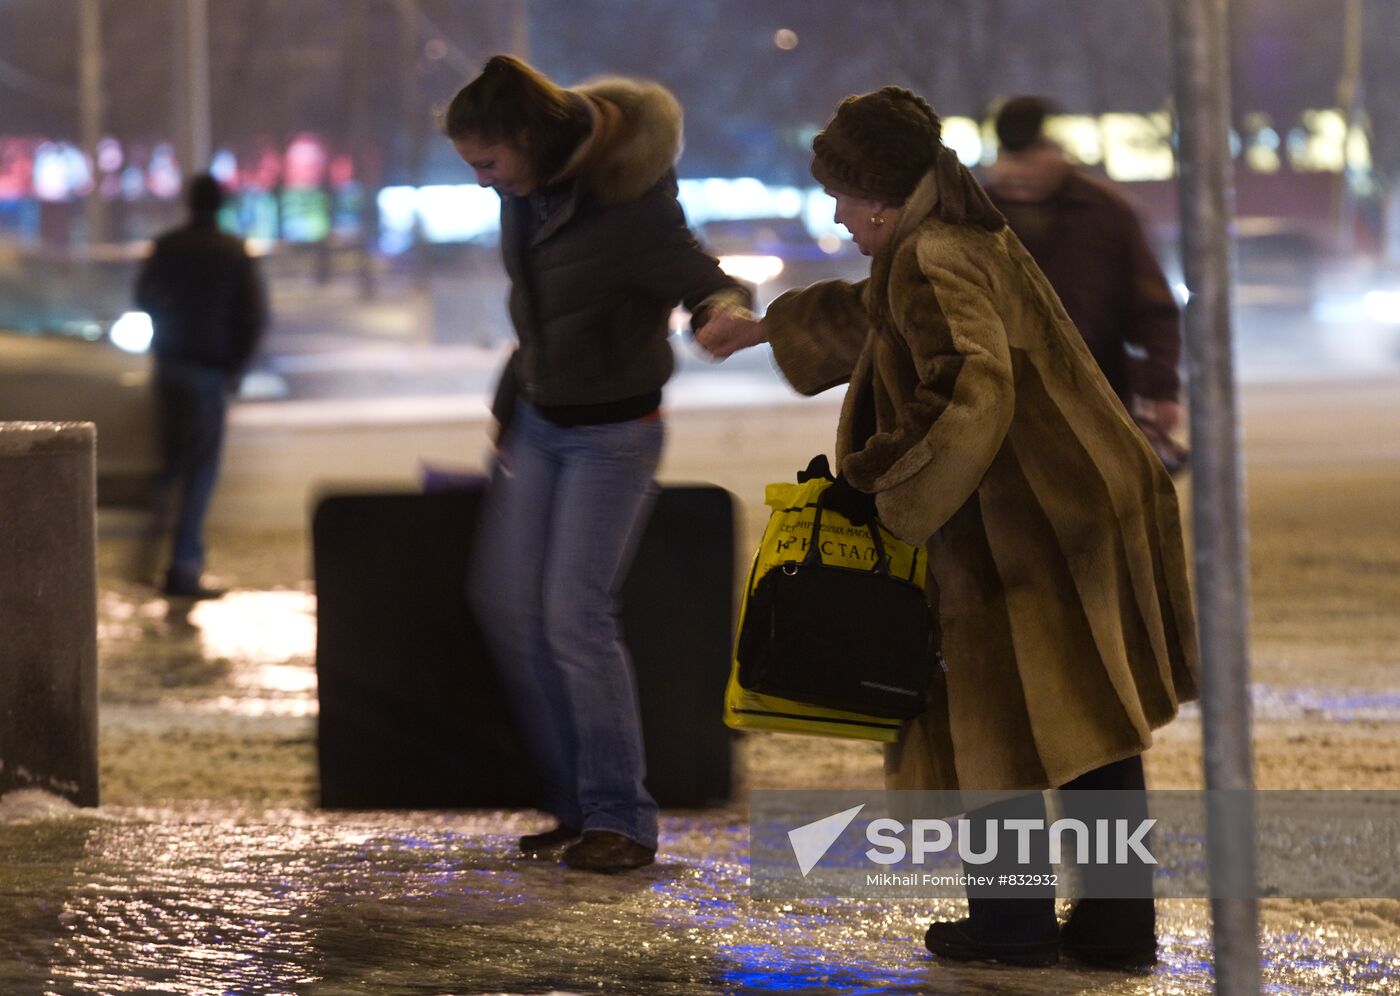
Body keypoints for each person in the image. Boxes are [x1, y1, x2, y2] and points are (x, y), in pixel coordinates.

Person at [698, 87, 1199, 968]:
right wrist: (764, 329)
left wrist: (876, 483)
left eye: (842, 196)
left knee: (991, 723)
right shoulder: (949, 235)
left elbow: (969, 384)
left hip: (1023, 524)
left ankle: (1010, 928)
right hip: (1068, 506)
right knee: (1088, 723)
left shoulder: (933, 252)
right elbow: (877, 314)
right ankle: (1118, 928)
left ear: (882, 197)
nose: (836, 213)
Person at [445, 55, 752, 874]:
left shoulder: (629, 196)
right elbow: (542, 315)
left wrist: (722, 313)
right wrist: (512, 407)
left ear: (522, 138)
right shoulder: (529, 190)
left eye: (486, 162)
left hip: (615, 433)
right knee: (507, 605)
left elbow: (701, 276)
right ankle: (576, 806)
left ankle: (622, 817)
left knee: (573, 616)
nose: (481, 181)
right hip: (542, 422)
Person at [985, 95, 1187, 470]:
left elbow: (1152, 309)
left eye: (1033, 155)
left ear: (1057, 150)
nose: (1022, 171)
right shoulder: (977, 215)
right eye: (1014, 158)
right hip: (1002, 408)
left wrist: (1162, 390)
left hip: (1097, 399)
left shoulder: (1107, 213)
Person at [134, 173, 267, 599]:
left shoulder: (167, 246)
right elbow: (254, 315)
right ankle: (182, 568)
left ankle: (145, 558)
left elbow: (143, 298)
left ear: (188, 203)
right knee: (199, 471)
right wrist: (236, 367)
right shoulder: (233, 252)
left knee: (169, 465)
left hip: (169, 366)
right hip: (209, 372)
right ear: (221, 205)